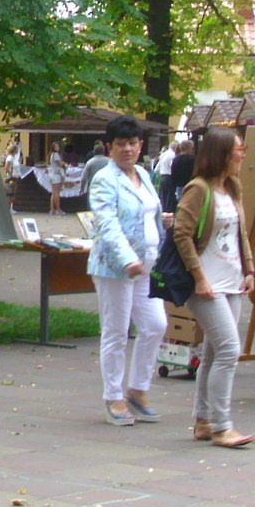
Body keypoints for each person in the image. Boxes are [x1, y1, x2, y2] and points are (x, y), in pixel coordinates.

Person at [171, 126, 255, 448]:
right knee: (229, 350)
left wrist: (249, 268)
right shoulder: (199, 189)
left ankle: (203, 421)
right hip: (206, 283)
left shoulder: (232, 187)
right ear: (222, 154)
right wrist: (199, 277)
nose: (243, 155)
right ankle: (222, 426)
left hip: (232, 280)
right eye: (239, 150)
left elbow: (240, 232)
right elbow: (182, 233)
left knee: (212, 352)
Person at [86, 115, 166, 427]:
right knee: (116, 332)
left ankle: (138, 389)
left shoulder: (143, 174)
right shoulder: (105, 179)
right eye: (121, 144)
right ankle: (113, 396)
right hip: (115, 268)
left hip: (147, 265)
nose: (128, 149)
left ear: (140, 145)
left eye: (132, 143)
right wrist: (126, 259)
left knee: (156, 325)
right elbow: (106, 223)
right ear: (109, 147)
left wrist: (163, 222)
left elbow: (148, 212)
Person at [167, 138, 195, 213]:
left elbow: (173, 173)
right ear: (189, 148)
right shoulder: (192, 159)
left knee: (180, 204)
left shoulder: (176, 159)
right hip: (190, 185)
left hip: (178, 186)